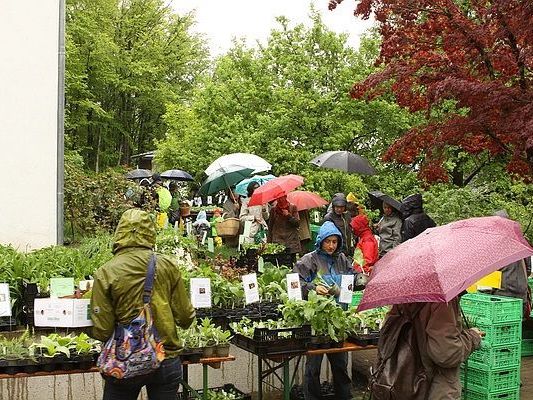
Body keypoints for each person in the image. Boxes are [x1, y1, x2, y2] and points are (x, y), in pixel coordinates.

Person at [90, 209, 195, 400]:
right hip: (165, 357)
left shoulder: (106, 272)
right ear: (150, 233)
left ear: (119, 233)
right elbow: (185, 318)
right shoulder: (167, 265)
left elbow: (102, 330)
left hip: (125, 360)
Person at [294, 221, 354, 400]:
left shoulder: (342, 259)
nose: (331, 246)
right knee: (313, 368)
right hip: (316, 323)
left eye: (335, 242)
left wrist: (357, 280)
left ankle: (344, 397)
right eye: (328, 241)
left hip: (337, 320)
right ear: (320, 241)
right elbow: (295, 282)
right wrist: (312, 288)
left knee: (340, 366)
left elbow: (351, 282)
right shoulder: (309, 260)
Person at [379, 299, 483, 399]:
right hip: (433, 387)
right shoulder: (442, 302)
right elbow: (446, 353)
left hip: (401, 383)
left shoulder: (403, 295)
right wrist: (472, 337)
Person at [492, 210, 531, 318]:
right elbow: (528, 270)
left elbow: (490, 278)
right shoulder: (521, 241)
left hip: (502, 298)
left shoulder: (497, 245)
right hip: (521, 296)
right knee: (516, 327)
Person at [267, 195, 301, 260]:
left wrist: (288, 216)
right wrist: (269, 243)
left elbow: (297, 223)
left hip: (291, 241)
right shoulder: (274, 210)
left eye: (281, 198)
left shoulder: (292, 207)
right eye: (278, 198)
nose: (280, 200)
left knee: (291, 262)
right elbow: (270, 227)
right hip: (278, 241)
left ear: (285, 197)